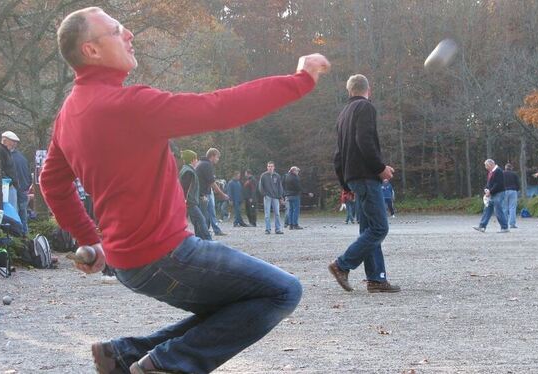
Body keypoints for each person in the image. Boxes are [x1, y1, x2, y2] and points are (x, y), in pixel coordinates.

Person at [40, 7, 329, 373]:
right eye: (116, 30)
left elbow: (51, 182)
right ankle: (167, 365)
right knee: (283, 291)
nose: (128, 34)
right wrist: (300, 79)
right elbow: (219, 108)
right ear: (91, 51)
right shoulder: (126, 105)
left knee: (236, 307)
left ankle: (123, 356)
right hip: (165, 256)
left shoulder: (70, 112)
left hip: (129, 262)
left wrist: (89, 239)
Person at [329, 74, 400, 294]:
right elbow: (365, 141)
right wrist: (381, 169)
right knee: (379, 228)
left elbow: (338, 156)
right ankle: (342, 265)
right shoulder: (365, 108)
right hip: (366, 176)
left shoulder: (343, 115)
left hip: (353, 176)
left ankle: (376, 279)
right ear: (368, 90)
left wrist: (345, 183)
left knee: (368, 229)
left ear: (349, 91)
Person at [179, 150, 212, 241]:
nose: (197, 161)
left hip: (189, 202)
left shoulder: (186, 169)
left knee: (196, 222)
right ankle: (208, 240)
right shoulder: (189, 172)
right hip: (190, 203)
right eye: (196, 159)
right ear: (193, 160)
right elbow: (186, 189)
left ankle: (199, 240)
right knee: (201, 220)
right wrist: (185, 201)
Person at [195, 148, 228, 236]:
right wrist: (222, 194)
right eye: (217, 157)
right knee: (205, 214)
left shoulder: (202, 163)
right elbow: (212, 182)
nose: (218, 159)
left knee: (210, 212)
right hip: (203, 194)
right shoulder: (206, 165)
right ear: (212, 156)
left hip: (205, 192)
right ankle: (205, 232)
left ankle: (213, 230)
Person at [5, 131, 32, 233]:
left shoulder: (8, 158)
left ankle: (17, 238)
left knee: (14, 216)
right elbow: (29, 176)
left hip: (14, 190)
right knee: (23, 216)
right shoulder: (22, 157)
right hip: (23, 190)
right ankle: (25, 236)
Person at [473, 159, 509, 233]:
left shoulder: (498, 171)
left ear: (491, 164)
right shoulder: (491, 172)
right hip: (492, 193)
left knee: (498, 210)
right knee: (487, 210)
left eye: (487, 166)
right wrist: (486, 189)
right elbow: (489, 183)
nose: (486, 167)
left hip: (499, 193)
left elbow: (498, 184)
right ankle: (482, 226)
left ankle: (504, 227)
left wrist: (490, 191)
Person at [259, 161, 284, 234]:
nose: (270, 168)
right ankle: (268, 229)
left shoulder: (277, 176)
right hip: (267, 197)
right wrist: (264, 194)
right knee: (267, 214)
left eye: (271, 166)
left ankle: (278, 229)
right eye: (269, 166)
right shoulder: (263, 175)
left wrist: (280, 196)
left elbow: (280, 187)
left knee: (277, 213)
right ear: (267, 167)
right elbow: (260, 186)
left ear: (274, 167)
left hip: (275, 197)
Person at [0, 131, 21, 211]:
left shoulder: (6, 151)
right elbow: (0, 169)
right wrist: (9, 182)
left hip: (9, 185)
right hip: (7, 186)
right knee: (11, 210)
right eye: (13, 141)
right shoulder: (1, 151)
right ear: (5, 140)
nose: (15, 144)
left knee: (13, 209)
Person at [503, 163, 520, 229]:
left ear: (505, 168)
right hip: (513, 191)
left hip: (504, 191)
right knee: (512, 208)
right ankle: (512, 224)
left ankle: (504, 224)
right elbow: (518, 183)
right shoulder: (514, 174)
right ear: (511, 168)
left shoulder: (502, 174)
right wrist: (517, 190)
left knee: (504, 208)